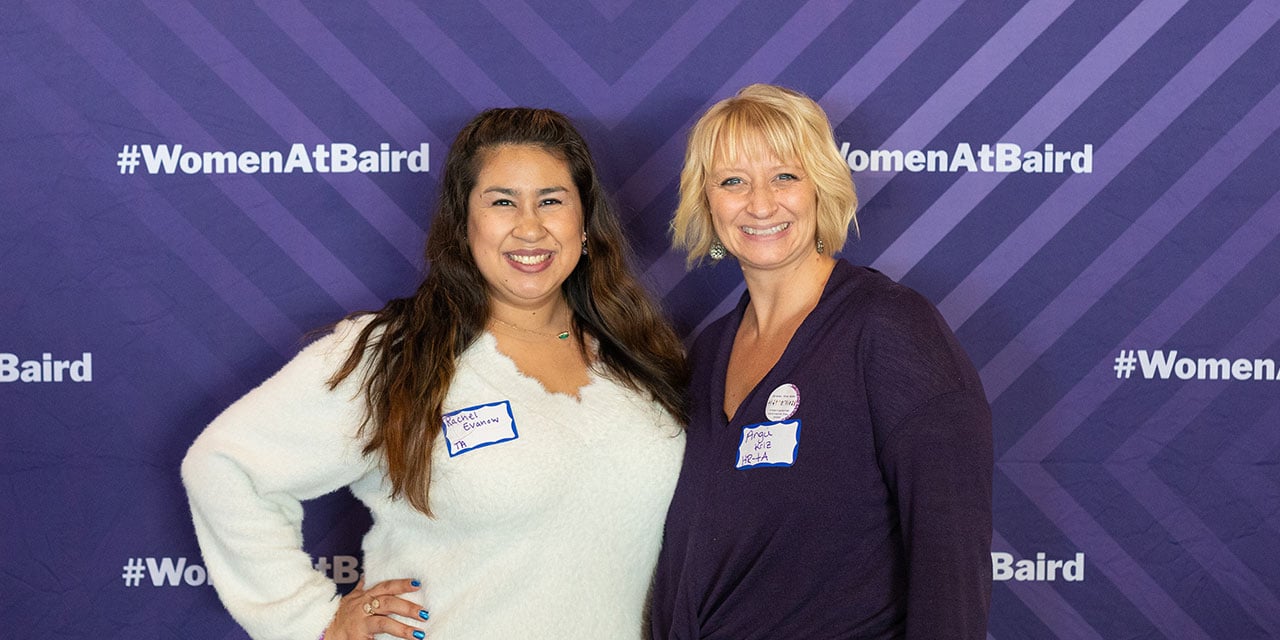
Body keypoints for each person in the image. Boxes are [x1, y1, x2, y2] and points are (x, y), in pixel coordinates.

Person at [182, 108, 688, 640]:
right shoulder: (394, 354)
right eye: (501, 202)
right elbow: (223, 465)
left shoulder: (639, 358)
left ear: (584, 223)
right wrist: (310, 623)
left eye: (551, 201)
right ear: (464, 224)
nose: (530, 226)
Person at [650, 84, 992, 639]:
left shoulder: (888, 329)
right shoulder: (709, 350)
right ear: (706, 203)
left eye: (784, 175)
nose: (760, 203)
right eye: (733, 181)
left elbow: (949, 562)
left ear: (821, 187)